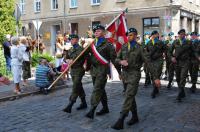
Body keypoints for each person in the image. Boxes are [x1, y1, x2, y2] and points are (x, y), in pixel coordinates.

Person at [111, 28, 144, 130]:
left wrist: (155, 77)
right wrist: (121, 62)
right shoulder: (124, 46)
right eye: (127, 35)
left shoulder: (140, 48)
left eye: (130, 35)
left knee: (129, 95)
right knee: (130, 96)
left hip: (134, 74)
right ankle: (135, 116)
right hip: (125, 75)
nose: (128, 37)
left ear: (135, 36)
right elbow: (116, 58)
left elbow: (148, 61)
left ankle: (121, 118)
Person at [85, 25, 120, 119]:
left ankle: (92, 109)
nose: (96, 32)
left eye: (99, 31)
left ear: (104, 32)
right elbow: (85, 55)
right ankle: (105, 108)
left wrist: (120, 72)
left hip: (102, 70)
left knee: (97, 89)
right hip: (94, 70)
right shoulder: (92, 44)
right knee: (101, 90)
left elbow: (114, 59)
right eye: (95, 31)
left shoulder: (108, 45)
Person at [63, 34, 88, 113]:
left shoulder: (81, 49)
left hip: (79, 70)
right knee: (78, 86)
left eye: (72, 39)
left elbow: (78, 58)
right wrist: (67, 60)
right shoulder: (70, 49)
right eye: (70, 39)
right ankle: (84, 103)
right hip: (72, 70)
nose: (71, 41)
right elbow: (65, 58)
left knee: (75, 86)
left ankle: (71, 104)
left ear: (77, 40)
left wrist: (72, 60)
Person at [170, 29, 193, 102]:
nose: (182, 35)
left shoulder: (189, 42)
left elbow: (193, 51)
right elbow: (169, 51)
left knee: (183, 77)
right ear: (178, 35)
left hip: (185, 62)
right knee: (178, 78)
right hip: (177, 62)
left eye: (183, 34)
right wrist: (172, 57)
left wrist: (197, 57)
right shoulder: (175, 42)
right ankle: (182, 91)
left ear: (185, 35)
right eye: (181, 34)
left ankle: (179, 94)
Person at [145, 30, 165, 98]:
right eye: (154, 34)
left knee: (156, 74)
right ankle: (156, 88)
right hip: (151, 61)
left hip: (159, 61)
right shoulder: (149, 43)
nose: (156, 35)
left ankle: (154, 90)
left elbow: (165, 50)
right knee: (152, 75)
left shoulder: (161, 43)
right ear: (152, 35)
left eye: (157, 34)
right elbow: (146, 52)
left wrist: (166, 56)